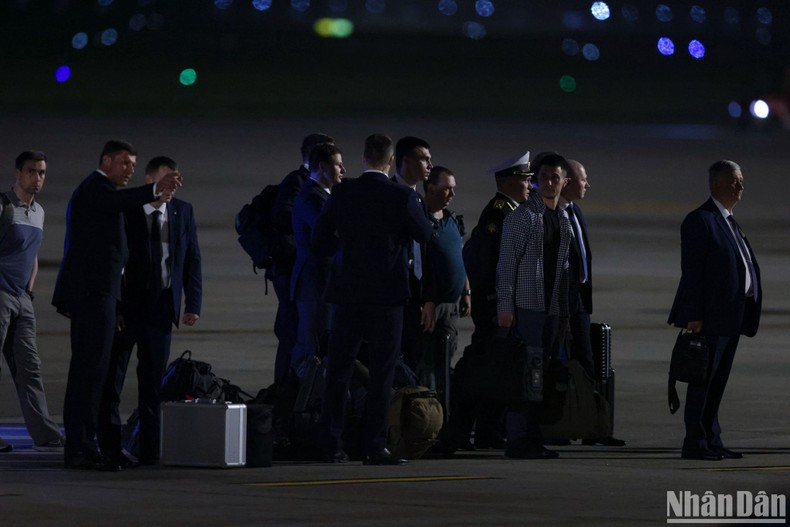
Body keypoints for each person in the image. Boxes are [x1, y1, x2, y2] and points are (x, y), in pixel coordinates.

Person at [52, 140, 181, 471]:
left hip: (105, 297)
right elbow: (120, 201)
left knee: (95, 373)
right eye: (124, 163)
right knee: (88, 372)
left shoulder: (106, 194)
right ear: (105, 161)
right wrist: (153, 189)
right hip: (91, 295)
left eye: (133, 165)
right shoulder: (95, 189)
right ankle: (78, 447)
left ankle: (86, 444)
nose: (129, 169)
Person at [313, 133, 432, 465]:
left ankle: (330, 443)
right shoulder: (400, 196)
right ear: (391, 161)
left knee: (339, 368)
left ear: (364, 157)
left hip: (347, 293)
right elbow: (424, 234)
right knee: (382, 372)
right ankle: (374, 445)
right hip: (386, 295)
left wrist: (346, 254)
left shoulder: (343, 192)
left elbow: (319, 240)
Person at [97, 156, 202, 466]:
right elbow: (114, 263)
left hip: (161, 307)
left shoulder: (183, 211)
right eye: (166, 181)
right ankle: (110, 446)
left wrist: (192, 303)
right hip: (128, 307)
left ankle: (151, 449)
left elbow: (192, 259)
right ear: (149, 181)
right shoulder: (128, 211)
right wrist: (114, 308)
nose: (172, 187)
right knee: (113, 379)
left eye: (176, 181)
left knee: (153, 382)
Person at [668, 160, 761, 461]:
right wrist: (694, 314)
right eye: (734, 180)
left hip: (731, 317)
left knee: (717, 382)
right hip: (709, 318)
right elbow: (692, 272)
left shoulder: (729, 220)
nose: (740, 186)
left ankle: (711, 437)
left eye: (741, 180)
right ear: (717, 184)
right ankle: (694, 441)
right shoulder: (701, 220)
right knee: (702, 382)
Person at [442, 152, 533, 454]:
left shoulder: (511, 210)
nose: (529, 185)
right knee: (485, 366)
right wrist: (499, 304)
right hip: (495, 305)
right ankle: (470, 430)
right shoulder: (499, 213)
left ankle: (488, 430)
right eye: (525, 179)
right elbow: (492, 263)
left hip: (502, 304)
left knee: (499, 369)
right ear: (509, 182)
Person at [497, 153, 572, 459]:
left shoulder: (563, 218)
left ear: (564, 182)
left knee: (543, 374)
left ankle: (533, 434)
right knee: (526, 372)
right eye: (545, 178)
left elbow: (564, 269)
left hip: (551, 308)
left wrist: (564, 312)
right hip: (528, 305)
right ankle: (518, 438)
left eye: (556, 178)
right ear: (536, 181)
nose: (550, 183)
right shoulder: (522, 217)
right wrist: (505, 306)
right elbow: (506, 264)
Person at [0, 151, 64, 453]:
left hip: (21, 299)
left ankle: (44, 432)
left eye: (41, 172)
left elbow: (32, 255)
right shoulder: (4, 206)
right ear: (18, 174)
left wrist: (29, 288)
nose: (37, 178)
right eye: (31, 172)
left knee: (30, 368)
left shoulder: (38, 212)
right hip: (0, 294)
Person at [559, 159, 626, 447]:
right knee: (565, 365)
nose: (587, 184)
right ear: (568, 181)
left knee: (588, 363)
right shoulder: (555, 214)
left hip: (580, 303)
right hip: (561, 304)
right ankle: (564, 424)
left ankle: (592, 426)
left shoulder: (575, 212)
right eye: (583, 179)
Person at [270, 133, 335, 383]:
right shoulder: (299, 183)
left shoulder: (315, 185)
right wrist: (308, 228)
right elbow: (282, 214)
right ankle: (285, 391)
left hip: (300, 271)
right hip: (292, 272)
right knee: (293, 334)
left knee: (301, 333)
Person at [290, 143, 345, 378]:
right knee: (313, 348)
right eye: (338, 164)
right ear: (322, 167)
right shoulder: (313, 198)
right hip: (315, 285)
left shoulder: (322, 195)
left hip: (322, 283)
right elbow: (331, 235)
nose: (343, 169)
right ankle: (303, 403)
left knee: (321, 344)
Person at [416, 166, 470, 399]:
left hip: (451, 305)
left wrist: (467, 291)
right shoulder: (420, 221)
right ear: (430, 188)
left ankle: (443, 413)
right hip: (431, 306)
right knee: (426, 364)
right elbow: (421, 266)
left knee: (446, 360)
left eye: (453, 189)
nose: (452, 194)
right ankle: (426, 415)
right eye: (447, 188)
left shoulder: (452, 220)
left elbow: (460, 258)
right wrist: (427, 300)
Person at [391, 136, 433, 371]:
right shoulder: (388, 195)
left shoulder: (418, 200)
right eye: (424, 159)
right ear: (405, 162)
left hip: (415, 294)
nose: (430, 165)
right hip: (394, 292)